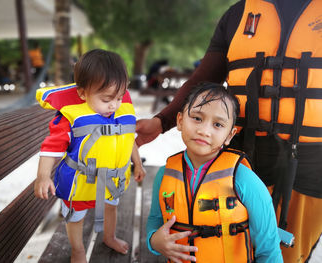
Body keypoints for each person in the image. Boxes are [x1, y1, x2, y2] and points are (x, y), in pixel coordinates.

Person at [136, 1, 322, 262]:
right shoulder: (237, 15)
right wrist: (162, 121)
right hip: (244, 153)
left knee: (289, 253)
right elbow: (203, 82)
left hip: (313, 164)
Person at [146, 82, 283, 262]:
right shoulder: (165, 175)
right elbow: (155, 220)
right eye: (197, 118)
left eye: (218, 124)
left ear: (229, 135)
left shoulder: (243, 179)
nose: (204, 131)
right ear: (180, 121)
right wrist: (154, 242)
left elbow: (269, 249)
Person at [34, 49, 146, 262]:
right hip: (80, 182)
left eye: (119, 97)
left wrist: (137, 163)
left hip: (112, 179)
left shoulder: (121, 111)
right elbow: (50, 148)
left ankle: (109, 237)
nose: (114, 105)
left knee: (111, 208)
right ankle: (78, 250)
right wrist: (43, 176)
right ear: (83, 93)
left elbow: (128, 138)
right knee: (75, 218)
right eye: (106, 99)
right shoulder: (69, 118)